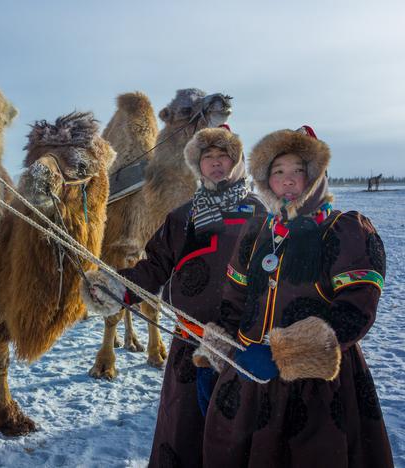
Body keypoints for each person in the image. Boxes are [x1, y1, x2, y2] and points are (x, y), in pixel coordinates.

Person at [193, 126, 394, 467]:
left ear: (316, 177)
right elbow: (234, 298)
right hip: (247, 378)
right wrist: (215, 354)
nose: (287, 181)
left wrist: (284, 352)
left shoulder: (346, 229)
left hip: (316, 388)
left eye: (298, 172)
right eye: (278, 172)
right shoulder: (257, 231)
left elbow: (356, 309)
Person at [82, 125, 266, 468]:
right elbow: (153, 269)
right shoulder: (182, 217)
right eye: (207, 157)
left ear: (237, 161)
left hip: (241, 351)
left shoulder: (261, 216)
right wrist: (114, 287)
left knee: (237, 444)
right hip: (188, 348)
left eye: (223, 156)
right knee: (183, 439)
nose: (215, 164)